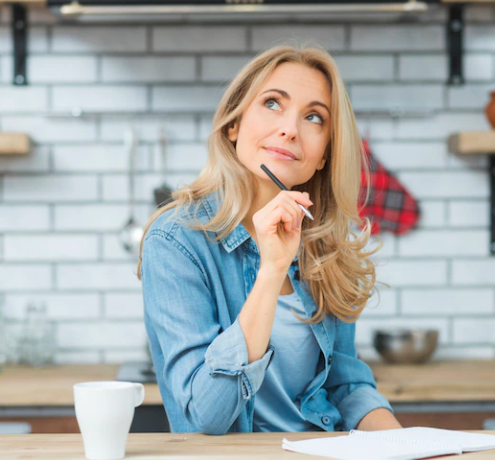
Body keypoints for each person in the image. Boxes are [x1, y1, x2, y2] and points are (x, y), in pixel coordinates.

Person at [137, 42, 402, 435]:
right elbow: (207, 416)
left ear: (324, 153)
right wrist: (272, 268)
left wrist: (403, 442)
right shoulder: (176, 241)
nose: (290, 129)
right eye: (273, 103)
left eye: (313, 117)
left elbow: (346, 385)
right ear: (234, 124)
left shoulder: (326, 243)